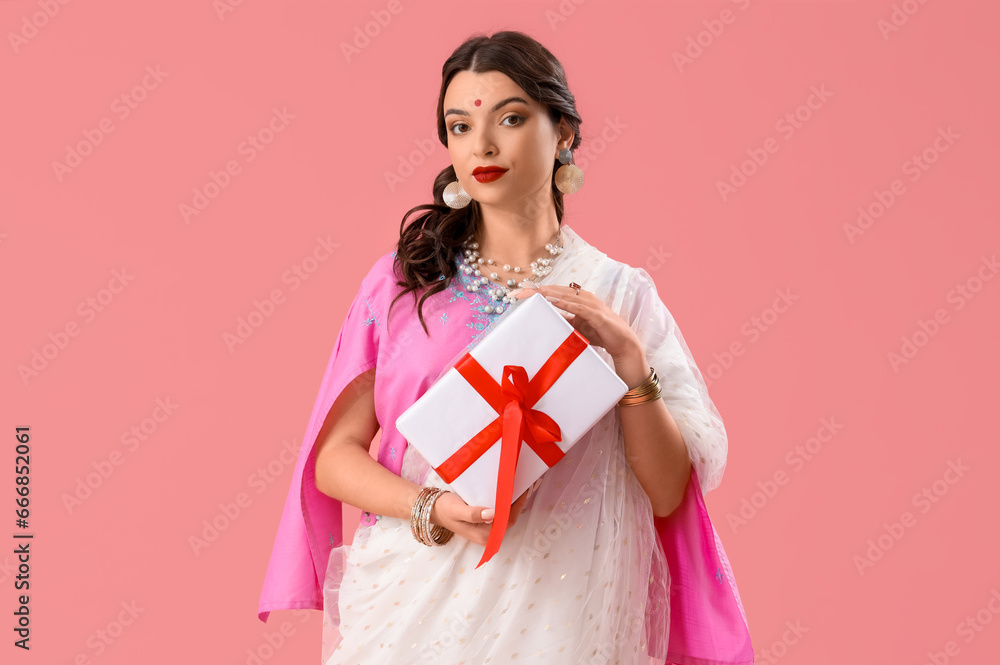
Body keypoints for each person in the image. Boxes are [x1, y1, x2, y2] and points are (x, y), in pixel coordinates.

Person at [258, 30, 754, 665]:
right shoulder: (405, 283)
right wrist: (432, 506)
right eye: (460, 127)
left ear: (564, 133)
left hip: (562, 611)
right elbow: (333, 459)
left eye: (511, 119)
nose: (482, 146)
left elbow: (666, 493)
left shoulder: (618, 294)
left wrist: (631, 365)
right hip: (412, 599)